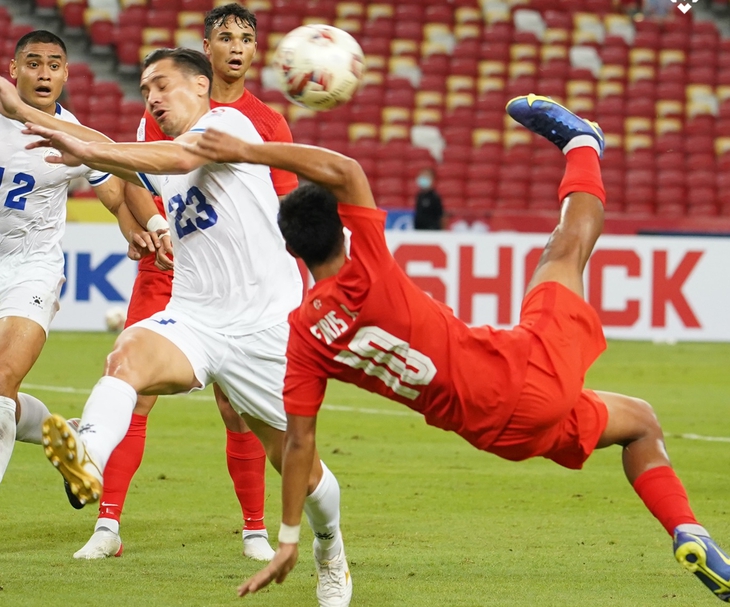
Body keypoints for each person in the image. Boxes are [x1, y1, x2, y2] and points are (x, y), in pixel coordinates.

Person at [183, 95, 730, 603]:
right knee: (564, 252)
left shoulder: (304, 334)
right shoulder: (368, 269)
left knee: (639, 422)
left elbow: (298, 443)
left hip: (497, 433)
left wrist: (287, 540)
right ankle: (583, 144)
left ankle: (689, 532)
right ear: (345, 230)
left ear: (290, 247)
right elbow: (346, 171)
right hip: (521, 372)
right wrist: (245, 149)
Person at [28, 47, 352, 607]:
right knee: (126, 355)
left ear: (202, 87)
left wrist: (83, 145)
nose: (151, 96)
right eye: (146, 87)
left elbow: (177, 161)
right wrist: (88, 155)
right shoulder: (163, 141)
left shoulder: (226, 124)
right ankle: (89, 455)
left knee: (298, 465)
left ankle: (331, 549)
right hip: (196, 315)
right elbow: (133, 169)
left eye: (163, 84)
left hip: (264, 327)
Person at [70, 2, 299, 562]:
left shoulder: (266, 122)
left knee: (236, 407)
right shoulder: (164, 103)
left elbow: (288, 204)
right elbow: (134, 172)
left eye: (247, 37)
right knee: (137, 387)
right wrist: (144, 223)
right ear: (207, 51)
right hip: (167, 273)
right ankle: (106, 524)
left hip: (237, 286)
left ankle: (253, 530)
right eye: (226, 37)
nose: (238, 47)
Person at [0, 31, 158, 488]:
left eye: (54, 64)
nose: (44, 72)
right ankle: (66, 432)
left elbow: (115, 192)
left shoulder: (76, 139)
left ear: (67, 74)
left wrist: (137, 229)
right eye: (33, 63)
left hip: (31, 269)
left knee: (3, 378)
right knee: (5, 392)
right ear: (14, 70)